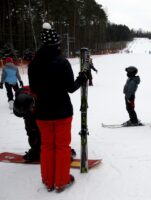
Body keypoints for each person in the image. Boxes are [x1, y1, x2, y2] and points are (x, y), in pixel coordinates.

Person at [28, 22, 87, 193]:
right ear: (56, 43)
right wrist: (81, 79)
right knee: (62, 147)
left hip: (42, 112)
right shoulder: (62, 62)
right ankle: (61, 181)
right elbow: (70, 87)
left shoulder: (33, 64)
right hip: (61, 112)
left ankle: (48, 181)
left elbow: (34, 89)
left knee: (46, 146)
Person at [13, 86, 77, 162]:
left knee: (48, 132)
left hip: (45, 110)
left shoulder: (41, 94)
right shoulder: (20, 97)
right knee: (32, 131)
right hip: (30, 112)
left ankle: (60, 151)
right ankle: (36, 150)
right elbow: (19, 111)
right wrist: (26, 114)